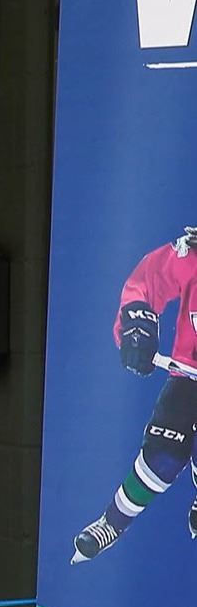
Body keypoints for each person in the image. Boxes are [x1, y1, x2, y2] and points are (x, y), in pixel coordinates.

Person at [71, 226, 197, 562]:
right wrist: (137, 326)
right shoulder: (190, 255)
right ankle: (113, 522)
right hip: (188, 378)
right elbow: (147, 282)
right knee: (162, 455)